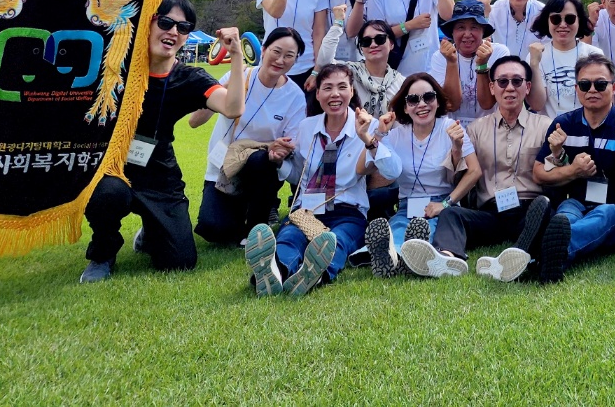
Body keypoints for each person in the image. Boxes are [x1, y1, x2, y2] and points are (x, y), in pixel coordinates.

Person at [78, 0, 247, 282]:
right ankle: (103, 253)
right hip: (112, 167)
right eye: (166, 22)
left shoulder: (189, 79)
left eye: (183, 27)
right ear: (148, 22)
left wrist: (237, 55)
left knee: (179, 262)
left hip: (159, 172)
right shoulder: (114, 67)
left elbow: (232, 108)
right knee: (108, 192)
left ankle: (152, 228)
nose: (173, 32)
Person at [401, 54, 554, 282]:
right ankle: (448, 258)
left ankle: (518, 256)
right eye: (502, 82)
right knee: (452, 213)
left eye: (517, 81)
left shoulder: (545, 125)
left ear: (528, 86)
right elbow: (456, 178)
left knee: (543, 209)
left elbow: (553, 173)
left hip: (528, 209)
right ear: (492, 87)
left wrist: (559, 154)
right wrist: (455, 149)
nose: (509, 88)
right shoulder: (475, 129)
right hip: (490, 213)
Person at [243, 62, 382, 297]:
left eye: (341, 87)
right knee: (289, 238)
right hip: (307, 209)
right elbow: (302, 175)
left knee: (336, 242)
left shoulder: (367, 127)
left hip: (348, 210)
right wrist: (279, 162)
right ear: (317, 94)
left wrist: (368, 138)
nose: (334, 94)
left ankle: (314, 276)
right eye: (327, 88)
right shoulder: (307, 128)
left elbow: (389, 168)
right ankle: (275, 272)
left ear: (351, 92)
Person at [532, 54, 615, 282]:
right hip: (577, 202)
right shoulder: (563, 125)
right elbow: (539, 173)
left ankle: (540, 253)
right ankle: (552, 254)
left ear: (614, 87)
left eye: (600, 84)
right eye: (585, 84)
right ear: (577, 89)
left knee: (604, 214)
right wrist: (567, 164)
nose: (592, 89)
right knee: (564, 217)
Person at [191, 27, 307, 246]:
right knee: (213, 229)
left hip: (259, 169)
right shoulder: (237, 76)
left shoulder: (295, 97)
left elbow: (290, 147)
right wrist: (223, 90)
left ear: (295, 61)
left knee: (260, 160)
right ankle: (238, 218)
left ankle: (255, 226)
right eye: (276, 51)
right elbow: (195, 121)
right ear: (263, 50)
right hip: (223, 167)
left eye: (289, 56)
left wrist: (279, 151)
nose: (280, 60)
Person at [362, 73, 481, 278]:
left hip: (441, 204)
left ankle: (409, 253)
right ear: (405, 107)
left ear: (437, 101)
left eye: (428, 97)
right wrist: (380, 134)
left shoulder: (450, 128)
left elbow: (475, 171)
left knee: (430, 227)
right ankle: (394, 256)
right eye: (413, 99)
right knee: (397, 229)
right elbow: (379, 165)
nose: (422, 104)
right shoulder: (397, 134)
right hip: (408, 203)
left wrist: (445, 204)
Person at [527, 0, 605, 118]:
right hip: (550, 132)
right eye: (556, 19)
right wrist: (534, 65)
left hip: (586, 131)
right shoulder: (536, 56)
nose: (563, 25)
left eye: (570, 19)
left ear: (579, 20)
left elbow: (602, 101)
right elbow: (537, 105)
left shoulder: (594, 55)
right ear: (547, 21)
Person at [439, 0, 506, 124]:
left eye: (474, 27)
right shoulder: (440, 56)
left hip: (490, 127)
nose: (467, 34)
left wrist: (482, 66)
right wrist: (451, 63)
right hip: (453, 126)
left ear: (483, 31)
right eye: (461, 27)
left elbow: (487, 104)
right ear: (452, 32)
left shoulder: (499, 53)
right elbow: (451, 105)